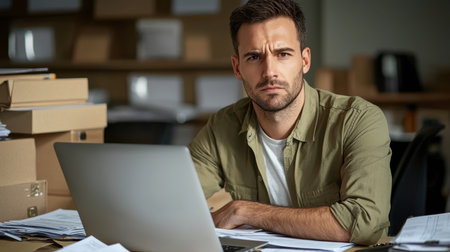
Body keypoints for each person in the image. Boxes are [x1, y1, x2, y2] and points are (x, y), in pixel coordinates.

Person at [188, 0, 392, 245]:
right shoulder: (222, 127)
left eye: (282, 54)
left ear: (305, 61)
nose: (269, 72)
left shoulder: (357, 119)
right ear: (237, 68)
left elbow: (365, 222)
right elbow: (175, 203)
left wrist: (247, 211)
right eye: (254, 57)